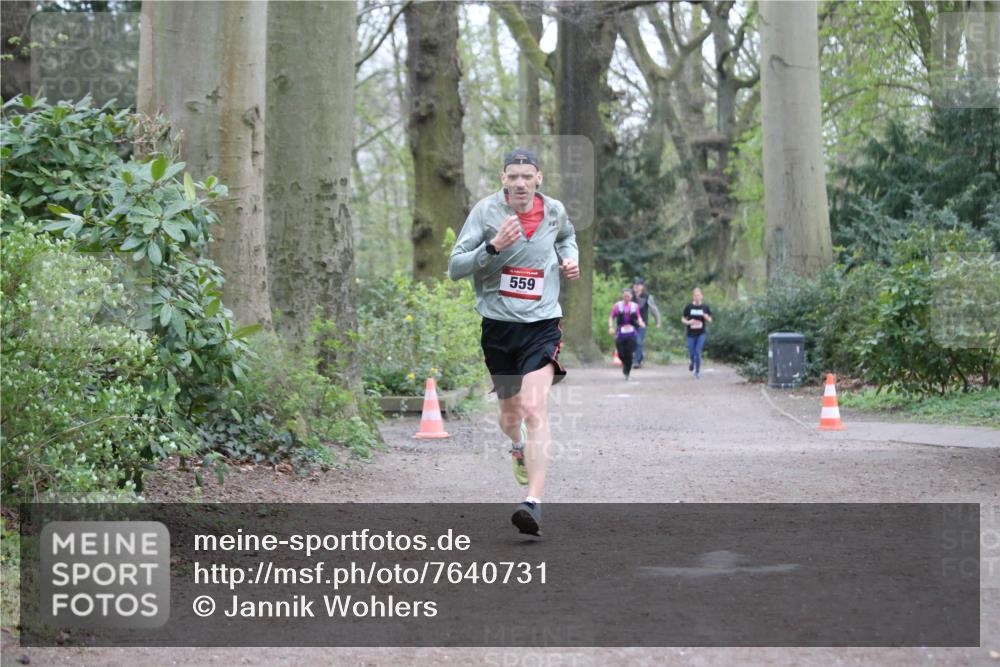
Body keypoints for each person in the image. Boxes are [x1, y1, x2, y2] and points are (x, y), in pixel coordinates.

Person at [448, 147, 580, 537]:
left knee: (533, 407)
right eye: (513, 176)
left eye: (527, 176)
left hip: (542, 324)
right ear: (503, 179)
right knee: (511, 417)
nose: (520, 183)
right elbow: (455, 267)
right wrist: (493, 247)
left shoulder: (554, 211)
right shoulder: (485, 212)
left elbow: (567, 237)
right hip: (499, 328)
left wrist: (570, 258)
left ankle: (533, 502)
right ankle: (517, 445)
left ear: (539, 178)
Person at [608, 288, 646, 380]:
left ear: (631, 297)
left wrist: (641, 322)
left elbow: (638, 317)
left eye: (628, 296)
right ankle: (625, 365)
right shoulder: (617, 306)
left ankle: (627, 372)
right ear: (623, 296)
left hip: (631, 333)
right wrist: (611, 327)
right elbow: (611, 317)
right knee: (621, 354)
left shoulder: (635, 306)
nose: (626, 298)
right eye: (625, 296)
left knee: (629, 354)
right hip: (621, 333)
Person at [681, 287, 713, 379]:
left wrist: (706, 317)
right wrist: (688, 322)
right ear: (693, 297)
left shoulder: (705, 307)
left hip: (701, 333)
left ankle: (697, 372)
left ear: (702, 296)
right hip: (690, 334)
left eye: (698, 295)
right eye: (695, 296)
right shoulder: (689, 307)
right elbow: (683, 319)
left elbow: (710, 320)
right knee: (691, 353)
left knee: (698, 352)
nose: (697, 297)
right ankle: (692, 362)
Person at [631, 278, 661, 368]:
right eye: (635, 284)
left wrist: (658, 321)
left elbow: (654, 310)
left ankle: (636, 362)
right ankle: (640, 356)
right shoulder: (630, 296)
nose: (636, 286)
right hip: (631, 324)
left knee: (639, 341)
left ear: (642, 287)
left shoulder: (647, 297)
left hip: (642, 324)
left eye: (638, 285)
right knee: (631, 342)